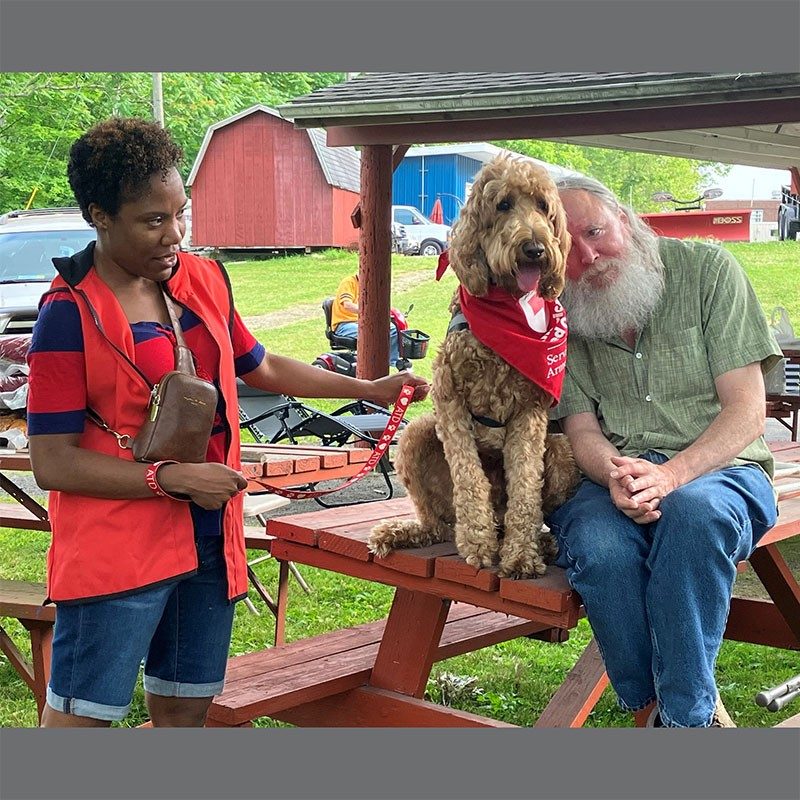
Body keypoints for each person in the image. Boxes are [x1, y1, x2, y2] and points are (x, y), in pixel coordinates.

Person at [26, 117, 429, 728]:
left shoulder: (204, 278)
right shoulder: (67, 312)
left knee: (186, 715)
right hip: (117, 552)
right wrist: (174, 481)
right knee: (82, 723)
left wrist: (367, 387)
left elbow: (259, 365)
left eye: (179, 214)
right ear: (98, 216)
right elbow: (52, 461)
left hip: (209, 541)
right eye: (152, 221)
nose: (173, 235)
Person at [546, 173, 781, 728]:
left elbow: (747, 412)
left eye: (596, 232)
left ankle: (678, 722)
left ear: (624, 220)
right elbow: (580, 431)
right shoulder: (562, 311)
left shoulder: (707, 272)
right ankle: (664, 713)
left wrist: (670, 476)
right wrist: (613, 475)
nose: (588, 256)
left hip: (724, 468)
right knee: (600, 549)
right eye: (567, 249)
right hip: (615, 476)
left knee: (694, 515)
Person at [331, 272, 401, 367]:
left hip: (363, 321)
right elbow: (347, 305)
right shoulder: (349, 282)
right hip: (345, 324)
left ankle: (392, 361)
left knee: (392, 328)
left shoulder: (370, 287)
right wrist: (368, 312)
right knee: (371, 333)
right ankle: (378, 364)